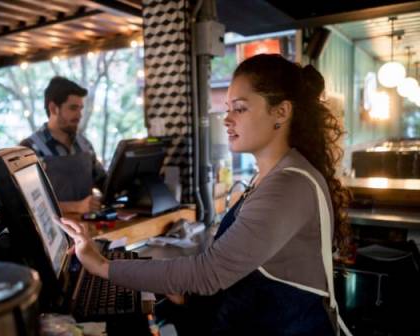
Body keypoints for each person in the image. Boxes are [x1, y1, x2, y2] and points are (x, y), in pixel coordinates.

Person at [59, 54, 352, 335]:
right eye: (227, 109)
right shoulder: (273, 175)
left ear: (281, 112)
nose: (227, 119)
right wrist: (189, 294)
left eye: (239, 108)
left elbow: (208, 273)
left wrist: (101, 265)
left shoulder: (287, 186)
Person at [20, 76, 106, 214]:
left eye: (80, 108)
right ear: (54, 108)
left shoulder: (85, 145)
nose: (79, 115)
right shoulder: (28, 149)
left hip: (90, 231)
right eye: (73, 108)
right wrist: (76, 207)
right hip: (53, 234)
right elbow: (26, 203)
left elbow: (104, 183)